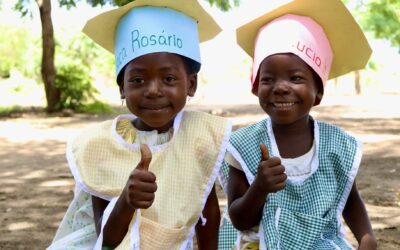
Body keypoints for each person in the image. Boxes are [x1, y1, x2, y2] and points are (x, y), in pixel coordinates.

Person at [47, 0, 232, 249]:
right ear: (122, 87)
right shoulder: (99, 146)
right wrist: (126, 200)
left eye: (168, 78)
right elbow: (107, 239)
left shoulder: (199, 136)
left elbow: (205, 213)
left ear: (191, 84)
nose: (153, 91)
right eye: (137, 79)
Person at [218, 0, 377, 249]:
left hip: (319, 243)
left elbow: (349, 198)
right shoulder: (244, 145)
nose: (281, 87)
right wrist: (259, 187)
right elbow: (239, 219)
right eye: (268, 78)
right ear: (256, 88)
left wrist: (367, 238)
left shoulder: (336, 145)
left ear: (318, 93)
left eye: (295, 78)